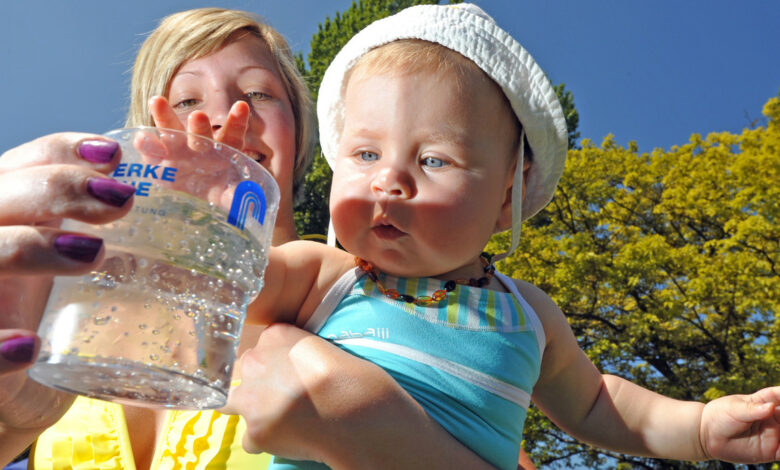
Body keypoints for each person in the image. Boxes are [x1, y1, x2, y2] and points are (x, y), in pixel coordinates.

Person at [225, 4, 780, 470]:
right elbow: (214, 282)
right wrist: (202, 197)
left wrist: (704, 427)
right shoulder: (322, 275)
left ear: (507, 200)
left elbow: (598, 403)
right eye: (365, 153)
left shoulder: (529, 313)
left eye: (433, 158)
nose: (388, 179)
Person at [0, 7, 503, 470]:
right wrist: (13, 425)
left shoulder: (381, 298)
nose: (223, 115)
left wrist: (394, 443)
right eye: (187, 100)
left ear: (303, 133)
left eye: (259, 94)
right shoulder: (69, 319)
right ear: (148, 138)